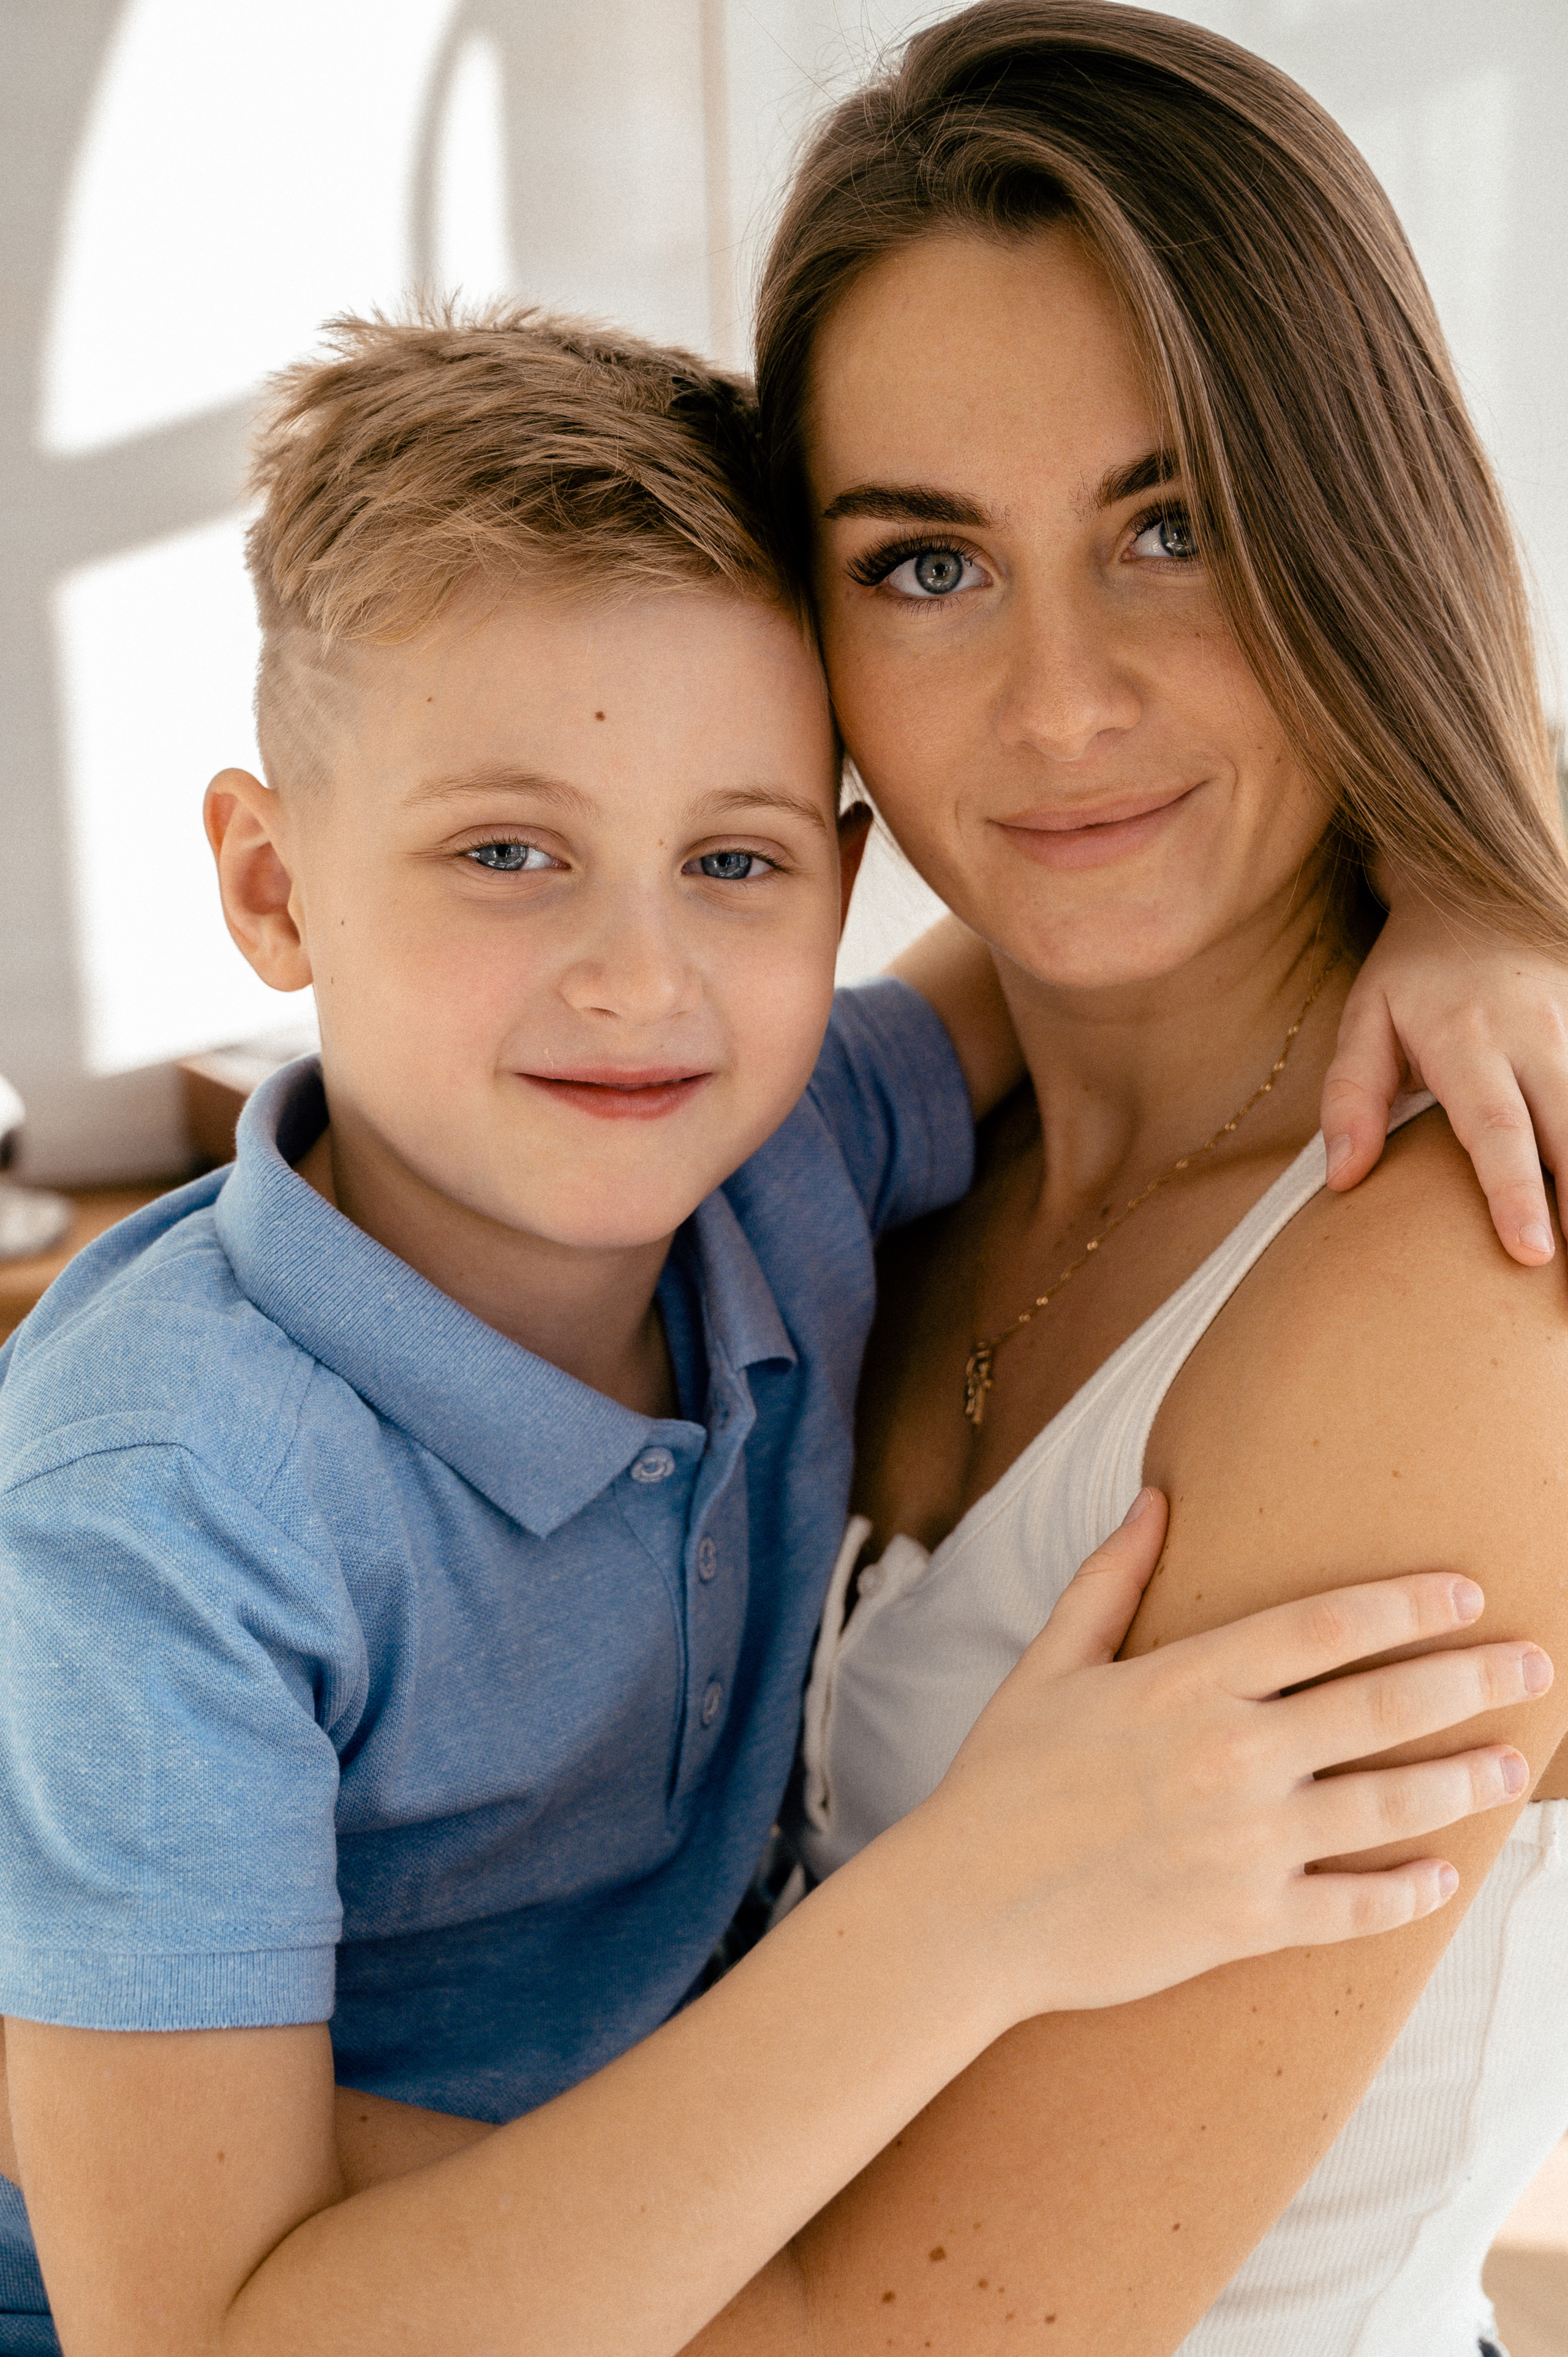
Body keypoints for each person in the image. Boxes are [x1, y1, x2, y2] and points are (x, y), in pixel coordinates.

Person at [0, 306, 1541, 2357]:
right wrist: (971, 1908)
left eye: (733, 861)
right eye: (506, 854)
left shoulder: (775, 1151)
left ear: (835, 882)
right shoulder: (159, 1501)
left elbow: (1093, 925)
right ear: (275, 888)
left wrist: (1491, 896)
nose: (639, 982)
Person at [671, 4, 1568, 2351]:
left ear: (1346, 525)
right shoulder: (891, 1134)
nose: (1057, 706)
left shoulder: (1458, 1267)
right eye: (928, 566)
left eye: (1173, 527)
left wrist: (233, 2193)